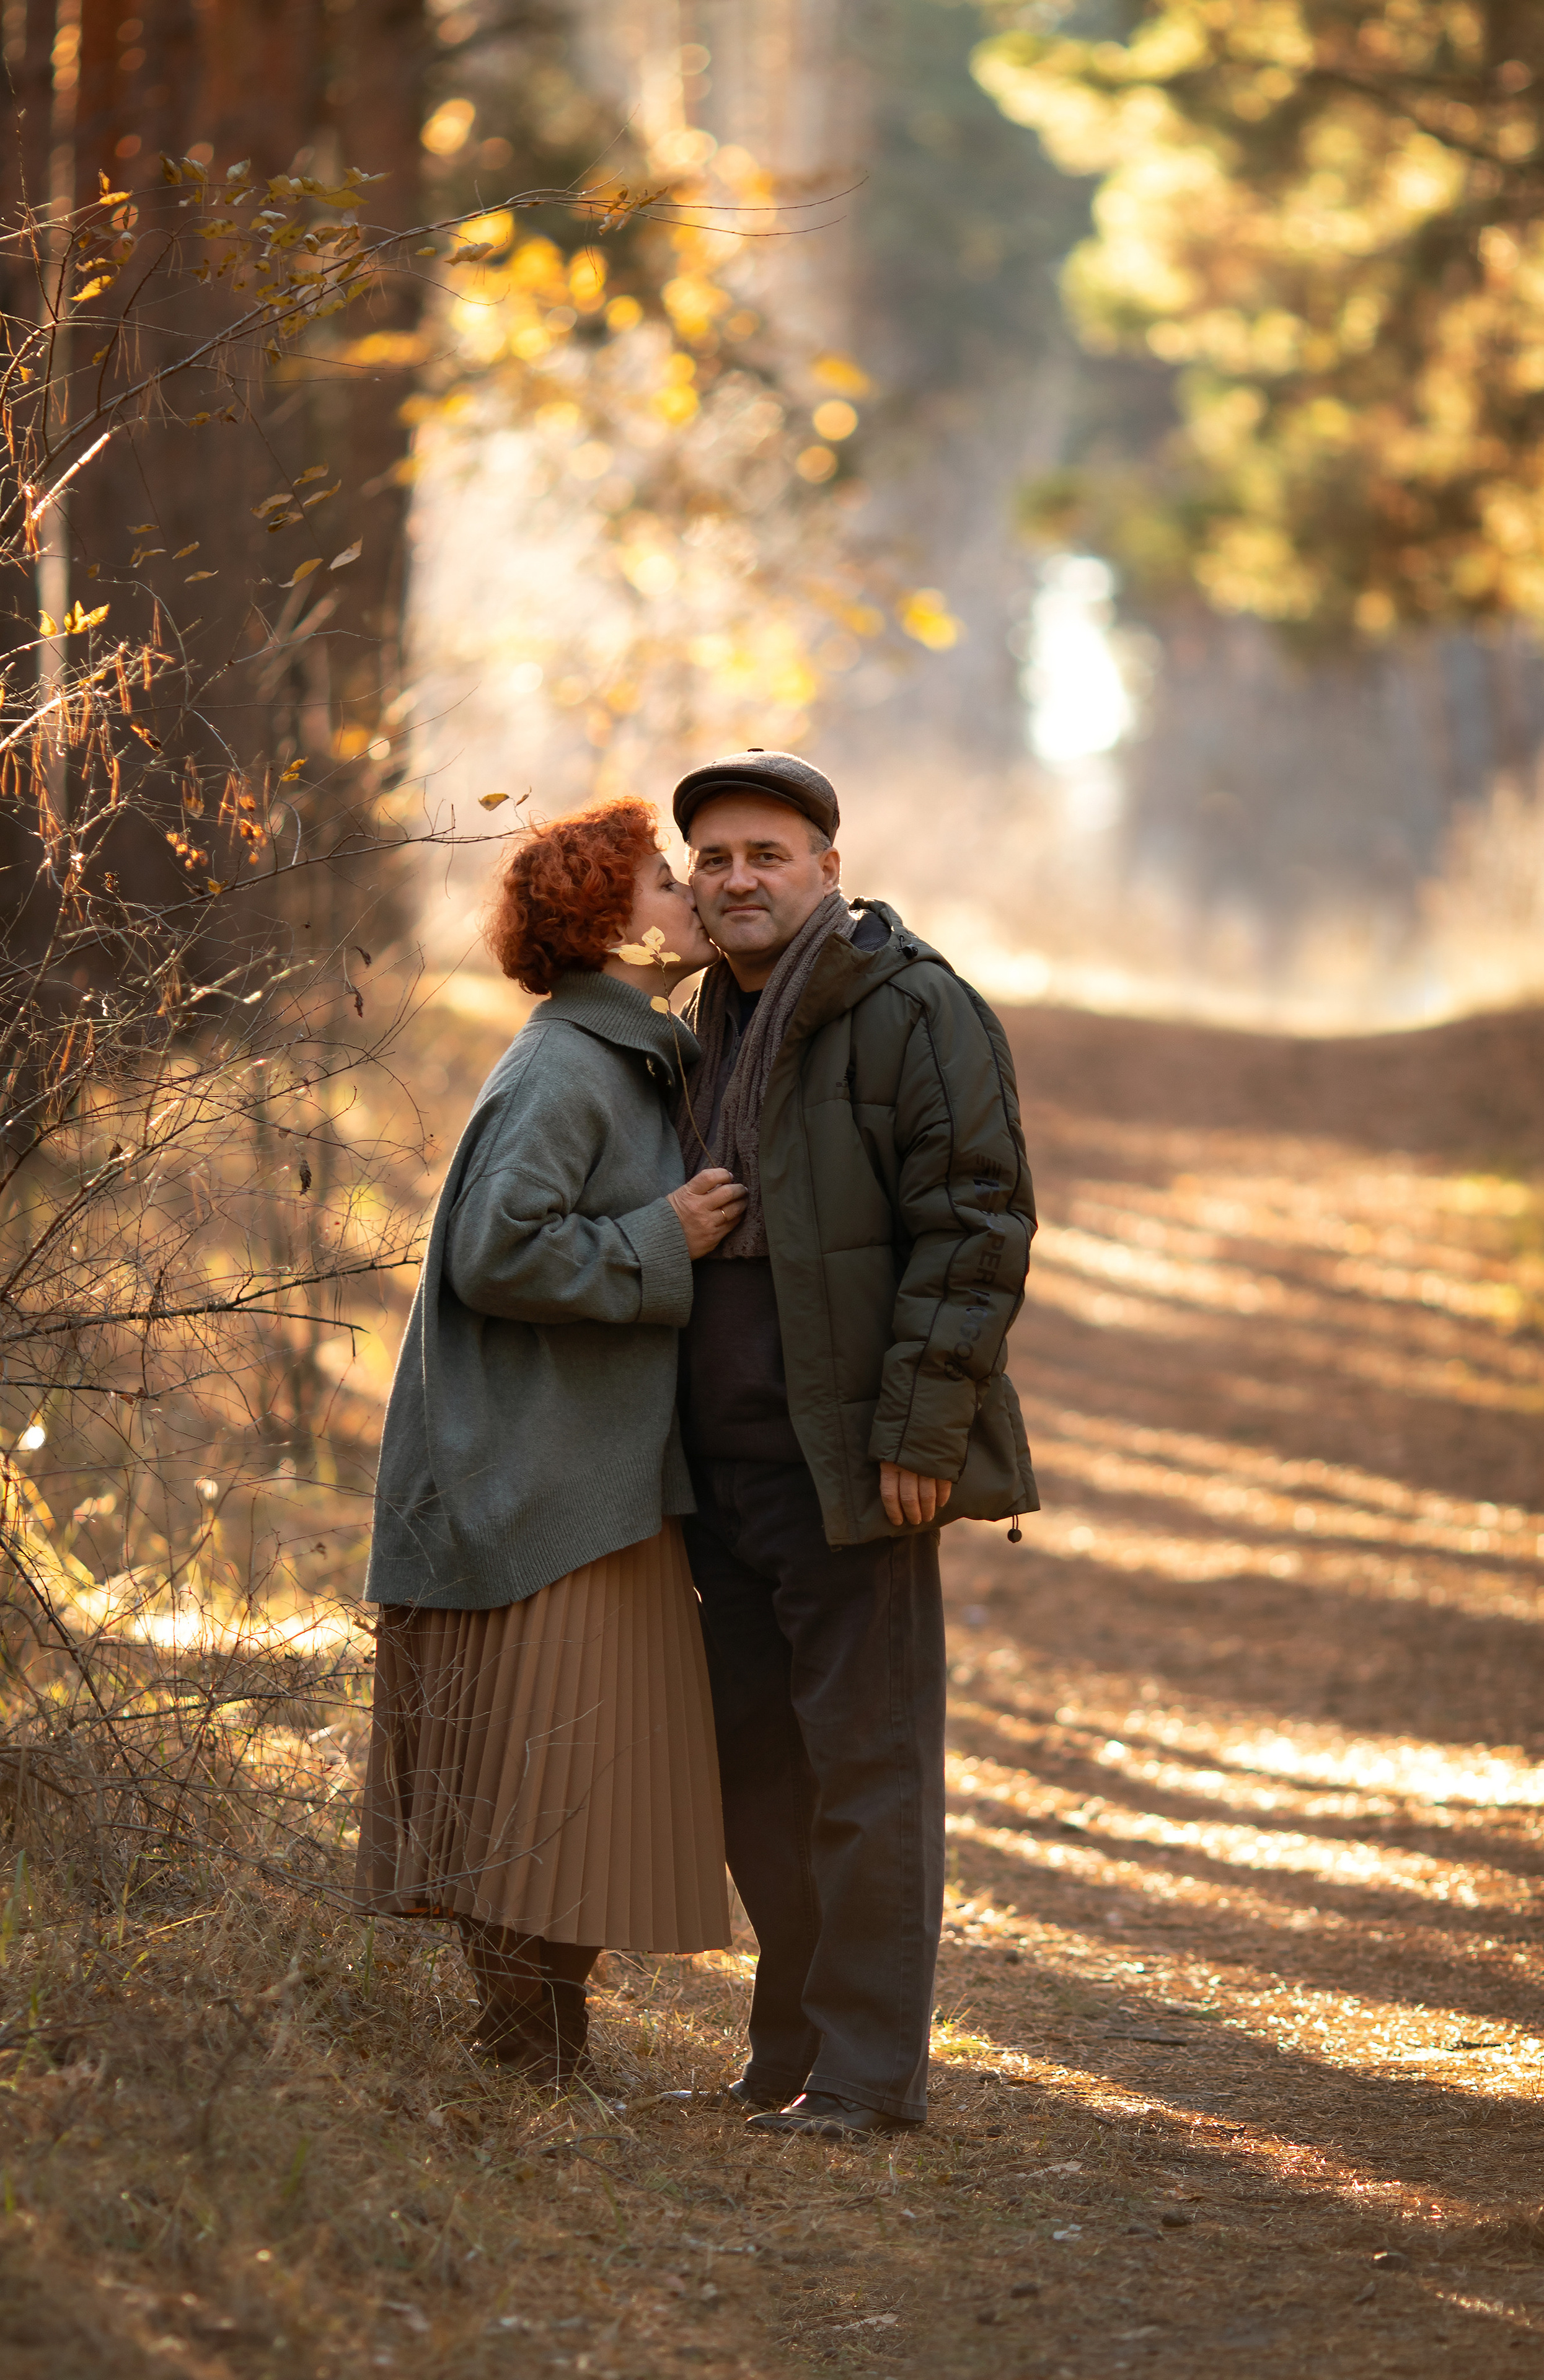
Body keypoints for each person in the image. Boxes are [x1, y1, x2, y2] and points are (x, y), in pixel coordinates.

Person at [671, 747, 1039, 2138]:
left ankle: (869, 2074)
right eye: (712, 858)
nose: (736, 878)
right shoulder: (698, 1016)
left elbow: (976, 1223)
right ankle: (787, 2048)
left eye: (765, 853)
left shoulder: (913, 1009)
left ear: (828, 867)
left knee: (865, 1770)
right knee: (753, 1769)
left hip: (852, 1465)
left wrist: (920, 1430)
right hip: (714, 1472)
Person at [355, 796, 748, 2089]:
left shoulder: (632, 1052)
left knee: (579, 1775)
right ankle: (524, 2046)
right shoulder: (563, 1068)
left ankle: (542, 2045)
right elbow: (493, 1249)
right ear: (609, 928)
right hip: (525, 1486)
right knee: (533, 1771)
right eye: (659, 882)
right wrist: (658, 1242)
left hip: (596, 1478)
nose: (687, 894)